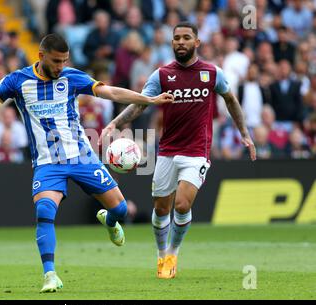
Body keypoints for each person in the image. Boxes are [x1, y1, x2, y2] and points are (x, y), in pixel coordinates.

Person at [0, 34, 174, 292]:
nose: (60, 66)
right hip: (48, 163)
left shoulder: (71, 77)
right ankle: (50, 274)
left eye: (64, 61)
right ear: (41, 56)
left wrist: (148, 100)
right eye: (56, 61)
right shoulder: (18, 81)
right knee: (44, 212)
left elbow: (108, 91)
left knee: (120, 211)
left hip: (81, 156)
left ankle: (108, 221)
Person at [99, 22, 256, 280]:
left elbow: (231, 100)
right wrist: (116, 122)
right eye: (176, 38)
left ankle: (173, 253)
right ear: (172, 43)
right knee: (162, 209)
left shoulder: (212, 73)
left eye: (186, 38)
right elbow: (141, 104)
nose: (180, 42)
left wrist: (245, 134)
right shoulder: (161, 75)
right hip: (168, 151)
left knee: (182, 204)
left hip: (196, 151)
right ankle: (161, 255)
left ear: (196, 43)